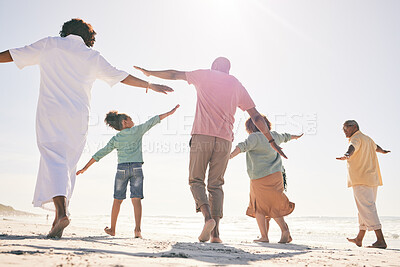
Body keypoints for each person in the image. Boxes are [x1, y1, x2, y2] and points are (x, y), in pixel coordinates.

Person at [0, 18, 173, 238]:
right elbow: (120, 75)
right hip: (79, 118)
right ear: (87, 37)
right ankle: (58, 218)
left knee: (53, 158)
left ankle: (61, 212)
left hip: (51, 112)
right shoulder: (92, 56)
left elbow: (14, 54)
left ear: (66, 31)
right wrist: (148, 84)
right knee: (68, 164)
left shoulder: (50, 44)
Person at [135, 57, 287, 243]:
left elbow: (174, 74)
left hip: (202, 136)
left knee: (196, 179)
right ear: (228, 70)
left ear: (213, 66)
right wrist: (270, 140)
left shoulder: (204, 75)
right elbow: (255, 116)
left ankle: (208, 218)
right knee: (216, 185)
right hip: (224, 141)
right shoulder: (236, 84)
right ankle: (216, 235)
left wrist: (150, 73)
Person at [77, 105, 179, 238]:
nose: (132, 120)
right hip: (137, 168)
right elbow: (153, 121)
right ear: (125, 122)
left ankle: (113, 229)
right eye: (130, 119)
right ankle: (137, 230)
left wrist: (85, 167)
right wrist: (169, 113)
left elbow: (101, 153)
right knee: (136, 199)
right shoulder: (137, 131)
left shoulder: (116, 139)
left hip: (122, 170)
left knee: (117, 200)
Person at [230, 115, 302, 243]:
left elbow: (242, 146)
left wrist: (230, 156)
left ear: (250, 127)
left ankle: (265, 236)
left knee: (259, 207)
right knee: (274, 203)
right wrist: (295, 137)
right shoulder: (274, 135)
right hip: (277, 175)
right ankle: (283, 231)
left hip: (259, 177)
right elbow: (285, 136)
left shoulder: (254, 137)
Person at [336, 120, 390, 249]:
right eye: (343, 129)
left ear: (354, 127)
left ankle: (380, 240)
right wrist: (383, 151)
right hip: (372, 179)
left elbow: (352, 147)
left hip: (361, 178)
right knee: (364, 208)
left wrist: (347, 155)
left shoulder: (356, 138)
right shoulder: (367, 139)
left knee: (367, 208)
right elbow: (376, 147)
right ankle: (359, 238)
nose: (344, 131)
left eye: (345, 128)